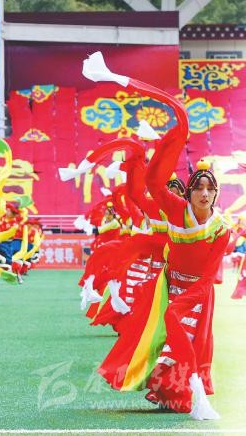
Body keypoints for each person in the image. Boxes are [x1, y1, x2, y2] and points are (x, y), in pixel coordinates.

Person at [84, 52, 227, 419]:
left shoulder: (221, 229)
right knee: (158, 338)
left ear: (216, 194)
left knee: (183, 338)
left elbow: (209, 275)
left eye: (210, 189)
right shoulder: (174, 211)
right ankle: (170, 392)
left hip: (196, 293)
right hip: (167, 282)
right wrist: (137, 156)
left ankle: (187, 392)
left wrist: (184, 302)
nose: (204, 193)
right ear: (188, 193)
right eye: (198, 188)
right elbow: (144, 189)